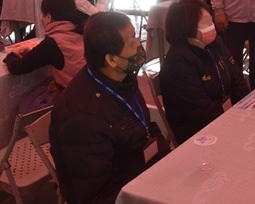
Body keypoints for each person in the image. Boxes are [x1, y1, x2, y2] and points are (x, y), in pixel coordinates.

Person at [50, 11, 169, 204]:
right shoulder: (83, 117)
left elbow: (141, 130)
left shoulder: (121, 78)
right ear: (111, 60)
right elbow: (95, 195)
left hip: (142, 172)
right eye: (132, 42)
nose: (139, 44)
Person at [159, 0, 250, 144]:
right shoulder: (178, 62)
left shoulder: (214, 44)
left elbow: (237, 80)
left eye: (210, 20)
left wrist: (247, 111)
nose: (212, 26)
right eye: (205, 22)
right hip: (197, 134)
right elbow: (201, 112)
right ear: (187, 26)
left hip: (217, 120)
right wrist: (233, 127)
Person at [3, 0, 85, 112]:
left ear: (48, 17)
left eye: (43, 15)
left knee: (26, 105)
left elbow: (16, 68)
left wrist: (13, 54)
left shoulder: (53, 43)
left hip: (76, 101)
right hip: (91, 92)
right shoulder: (83, 31)